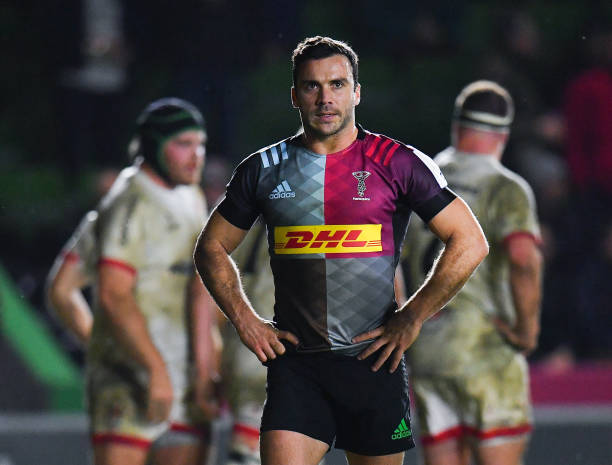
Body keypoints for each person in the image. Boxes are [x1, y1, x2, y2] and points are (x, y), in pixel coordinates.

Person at [193, 36, 488, 465]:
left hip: (373, 365)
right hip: (297, 368)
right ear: (295, 95)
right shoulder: (263, 169)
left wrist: (412, 317)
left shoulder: (398, 162)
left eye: (336, 84)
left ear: (356, 92)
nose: (325, 98)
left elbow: (470, 240)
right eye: (312, 86)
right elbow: (211, 248)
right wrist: (245, 320)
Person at [47, 98, 221, 465]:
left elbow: (62, 289)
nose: (197, 156)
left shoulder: (189, 196)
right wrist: (137, 363)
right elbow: (112, 295)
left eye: (200, 144)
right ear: (155, 147)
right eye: (183, 144)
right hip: (134, 381)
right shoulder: (130, 204)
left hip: (184, 381)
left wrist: (205, 369)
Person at [402, 81, 543, 465]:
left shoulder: (418, 181)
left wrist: (407, 328)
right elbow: (522, 259)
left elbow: (391, 268)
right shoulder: (506, 188)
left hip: (428, 347)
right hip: (484, 347)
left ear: (456, 126)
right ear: (503, 135)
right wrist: (527, 330)